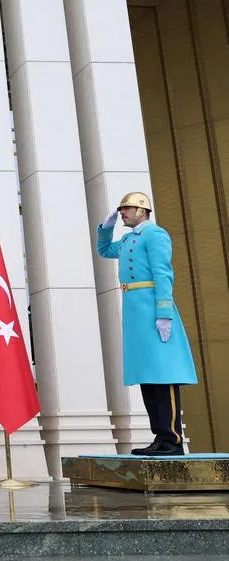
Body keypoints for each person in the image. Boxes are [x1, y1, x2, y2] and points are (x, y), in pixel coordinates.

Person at [96, 192, 198, 456]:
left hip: (153, 307)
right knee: (148, 377)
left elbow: (163, 273)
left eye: (126, 209)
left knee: (164, 375)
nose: (122, 214)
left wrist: (164, 311)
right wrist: (105, 229)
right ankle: (160, 437)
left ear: (142, 210)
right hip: (135, 310)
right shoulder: (130, 238)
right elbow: (105, 250)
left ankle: (172, 439)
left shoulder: (155, 234)